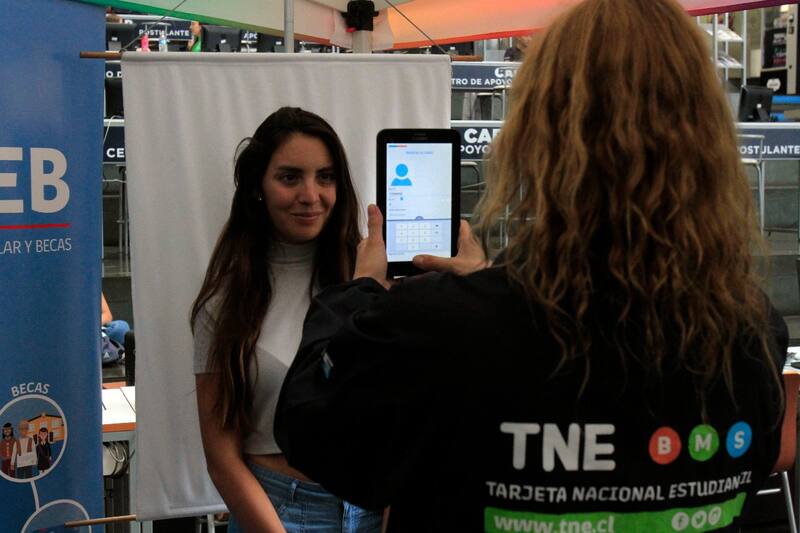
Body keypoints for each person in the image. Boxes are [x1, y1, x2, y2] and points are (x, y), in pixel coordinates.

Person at [274, 0, 788, 531]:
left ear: (538, 140)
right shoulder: (750, 332)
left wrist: (359, 291)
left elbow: (314, 432)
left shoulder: (443, 330)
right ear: (709, 143)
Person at [191, 107, 382, 532]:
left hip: (371, 509)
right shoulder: (226, 302)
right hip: (278, 512)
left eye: (326, 177)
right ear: (258, 186)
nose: (311, 195)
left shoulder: (369, 279)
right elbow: (221, 457)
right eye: (290, 177)